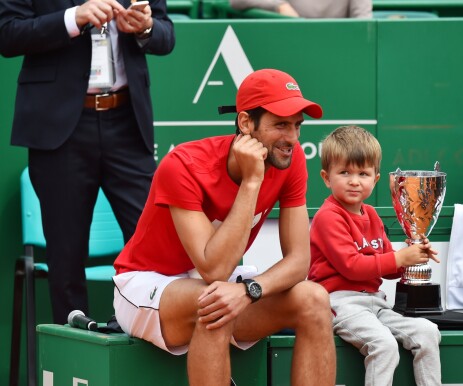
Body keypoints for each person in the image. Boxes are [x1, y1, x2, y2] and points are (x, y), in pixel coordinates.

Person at [112, 68, 336, 385]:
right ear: (246, 123)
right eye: (281, 125)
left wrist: (249, 290)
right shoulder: (183, 164)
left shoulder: (292, 159)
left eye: (297, 126)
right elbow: (214, 270)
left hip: (216, 284)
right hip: (146, 282)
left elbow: (299, 261)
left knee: (313, 299)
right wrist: (251, 182)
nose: (293, 138)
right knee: (214, 301)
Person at [0, 0, 175, 324]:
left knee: (154, 238)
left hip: (127, 120)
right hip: (60, 125)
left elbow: (166, 34)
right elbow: (8, 33)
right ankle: (73, 359)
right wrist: (72, 18)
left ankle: (148, 341)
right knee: (65, 255)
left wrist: (145, 27)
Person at [308, 125, 442, 386]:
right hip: (340, 305)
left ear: (376, 179)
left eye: (363, 173)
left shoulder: (371, 214)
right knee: (384, 346)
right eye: (344, 172)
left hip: (376, 304)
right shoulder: (328, 216)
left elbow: (387, 268)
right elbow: (352, 267)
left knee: (428, 332)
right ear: (326, 177)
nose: (354, 180)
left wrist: (412, 256)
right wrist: (399, 258)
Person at [229, 0, 372, 18]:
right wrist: (278, 5)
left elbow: (363, 21)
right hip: (290, 47)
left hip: (340, 48)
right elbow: (237, 1)